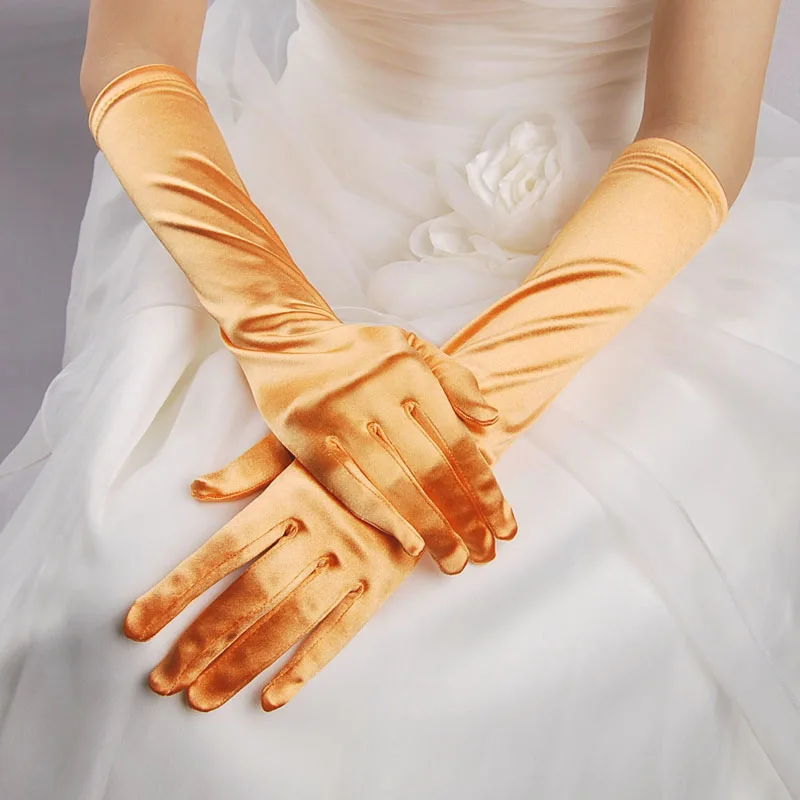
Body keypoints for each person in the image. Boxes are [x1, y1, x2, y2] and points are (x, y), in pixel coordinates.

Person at [1, 0, 799, 796]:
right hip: (288, 215)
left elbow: (698, 131)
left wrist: (434, 436)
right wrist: (285, 333)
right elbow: (136, 51)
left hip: (611, 246)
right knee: (125, 622)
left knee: (534, 633)